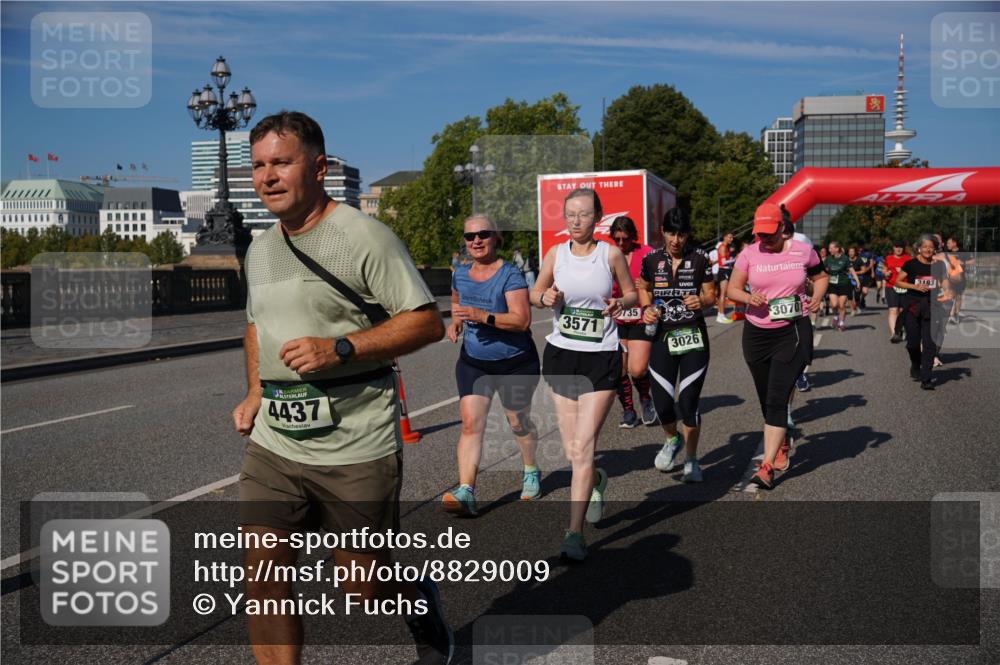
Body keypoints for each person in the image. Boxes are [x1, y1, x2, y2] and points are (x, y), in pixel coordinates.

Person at [232, 111, 453, 665]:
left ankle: (413, 598)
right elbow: (257, 325)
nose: (268, 177)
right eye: (258, 165)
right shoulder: (260, 249)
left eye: (281, 162)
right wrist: (256, 390)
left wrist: (343, 347)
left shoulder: (363, 236)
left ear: (320, 167)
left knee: (361, 585)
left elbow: (427, 321)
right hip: (277, 442)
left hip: (355, 441)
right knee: (261, 573)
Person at [531, 187, 637, 562]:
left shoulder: (610, 254)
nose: (576, 221)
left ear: (597, 218)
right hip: (562, 355)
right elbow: (535, 291)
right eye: (570, 214)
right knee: (572, 450)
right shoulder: (555, 254)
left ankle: (573, 533)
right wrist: (542, 298)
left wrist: (619, 303)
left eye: (584, 214)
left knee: (583, 446)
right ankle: (595, 480)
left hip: (600, 358)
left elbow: (632, 294)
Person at [443, 217, 541, 515]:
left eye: (483, 234)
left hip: (515, 363)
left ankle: (530, 469)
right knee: (472, 423)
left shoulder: (510, 274)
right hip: (474, 363)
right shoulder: (460, 273)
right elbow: (457, 299)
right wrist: (457, 321)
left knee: (517, 421)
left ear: (495, 237)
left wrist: (481, 315)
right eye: (469, 235)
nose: (475, 240)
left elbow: (522, 320)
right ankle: (466, 491)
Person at [727, 203, 827, 490]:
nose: (765, 239)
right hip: (757, 333)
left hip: (792, 331)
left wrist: (817, 296)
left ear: (782, 228)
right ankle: (782, 440)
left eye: (770, 234)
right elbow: (732, 289)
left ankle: (767, 466)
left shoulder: (802, 251)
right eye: (760, 234)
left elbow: (821, 277)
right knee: (765, 398)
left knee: (776, 397)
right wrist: (748, 298)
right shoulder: (749, 253)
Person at [638, 208, 715, 481]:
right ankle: (672, 440)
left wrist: (702, 302)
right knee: (662, 404)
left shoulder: (701, 259)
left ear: (688, 235)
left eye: (681, 234)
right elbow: (643, 286)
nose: (676, 240)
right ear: (663, 232)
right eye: (671, 233)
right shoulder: (651, 260)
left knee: (688, 401)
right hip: (662, 337)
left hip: (693, 337)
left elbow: (711, 295)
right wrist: (646, 307)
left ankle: (692, 460)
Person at [894, 234, 962, 390]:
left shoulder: (938, 265)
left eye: (931, 247)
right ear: (919, 248)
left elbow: (944, 283)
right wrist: (915, 287)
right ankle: (915, 365)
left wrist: (948, 292)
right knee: (912, 344)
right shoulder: (910, 264)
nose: (927, 249)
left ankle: (926, 378)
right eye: (924, 247)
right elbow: (898, 281)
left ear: (935, 249)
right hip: (913, 306)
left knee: (929, 344)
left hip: (932, 307)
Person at [608, 215, 657, 428]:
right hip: (616, 321)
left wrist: (649, 287)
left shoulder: (646, 253)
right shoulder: (608, 255)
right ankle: (628, 410)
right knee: (619, 370)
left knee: (637, 369)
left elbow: (662, 283)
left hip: (639, 318)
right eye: (617, 239)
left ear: (632, 237)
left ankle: (646, 399)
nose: (621, 244)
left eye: (625, 239)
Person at [824, 241, 859, 331]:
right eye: (829, 248)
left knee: (842, 305)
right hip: (832, 285)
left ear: (837, 248)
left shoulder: (845, 258)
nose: (829, 250)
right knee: (834, 304)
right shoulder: (828, 259)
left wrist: (857, 281)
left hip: (844, 284)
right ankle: (836, 316)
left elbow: (852, 270)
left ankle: (842, 323)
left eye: (831, 248)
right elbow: (823, 271)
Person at [883, 240, 912, 343]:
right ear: (893, 248)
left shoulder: (908, 258)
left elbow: (913, 273)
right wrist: (886, 273)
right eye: (896, 247)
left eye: (900, 247)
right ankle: (894, 334)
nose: (898, 249)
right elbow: (884, 270)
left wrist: (904, 272)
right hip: (891, 286)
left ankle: (902, 327)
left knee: (903, 311)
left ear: (903, 248)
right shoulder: (888, 258)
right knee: (893, 310)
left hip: (905, 287)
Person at [944, 236, 968, 323]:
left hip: (960, 278)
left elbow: (972, 261)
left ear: (954, 243)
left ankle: (956, 315)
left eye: (949, 243)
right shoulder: (947, 252)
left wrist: (963, 262)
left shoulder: (963, 251)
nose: (947, 245)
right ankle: (951, 315)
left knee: (958, 297)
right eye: (947, 243)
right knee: (951, 296)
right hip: (950, 277)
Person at [715, 231, 736, 323]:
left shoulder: (726, 247)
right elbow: (723, 262)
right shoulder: (723, 247)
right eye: (730, 237)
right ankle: (720, 315)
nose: (731, 239)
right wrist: (734, 260)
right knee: (723, 293)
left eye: (732, 237)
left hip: (725, 270)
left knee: (723, 293)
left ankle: (721, 315)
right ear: (725, 237)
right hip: (723, 270)